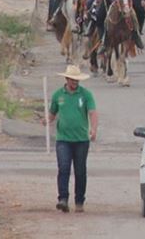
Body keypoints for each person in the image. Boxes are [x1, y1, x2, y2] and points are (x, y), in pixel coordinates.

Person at [49, 64, 98, 214]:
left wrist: (94, 129)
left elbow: (92, 112)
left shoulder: (85, 94)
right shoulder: (58, 95)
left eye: (77, 80)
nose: (75, 83)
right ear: (67, 79)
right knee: (63, 168)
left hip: (81, 140)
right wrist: (47, 120)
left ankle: (79, 201)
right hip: (63, 139)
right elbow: (52, 112)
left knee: (80, 170)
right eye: (72, 80)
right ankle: (62, 199)